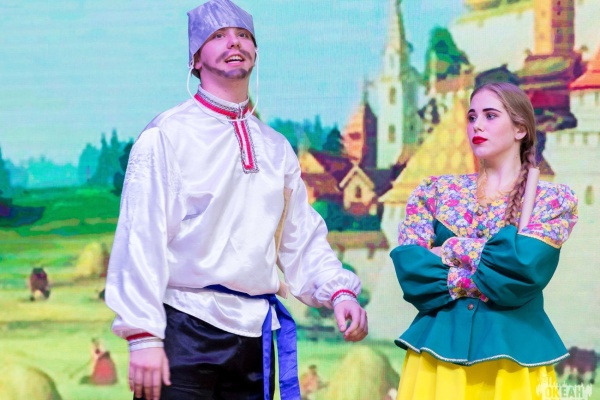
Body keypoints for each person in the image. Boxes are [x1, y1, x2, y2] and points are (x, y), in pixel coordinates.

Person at [105, 1, 368, 400]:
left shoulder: (276, 148)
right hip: (184, 329)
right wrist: (143, 334)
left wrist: (338, 292)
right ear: (195, 59)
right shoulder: (166, 135)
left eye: (243, 35)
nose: (234, 42)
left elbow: (299, 238)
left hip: (255, 337)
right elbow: (141, 236)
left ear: (256, 52)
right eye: (218, 35)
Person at [390, 82, 578, 399]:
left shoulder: (553, 200)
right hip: (436, 360)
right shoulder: (434, 192)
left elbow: (518, 273)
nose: (477, 125)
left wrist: (451, 249)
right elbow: (413, 271)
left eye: (490, 115)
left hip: (513, 363)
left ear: (520, 129)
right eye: (472, 116)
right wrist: (485, 267)